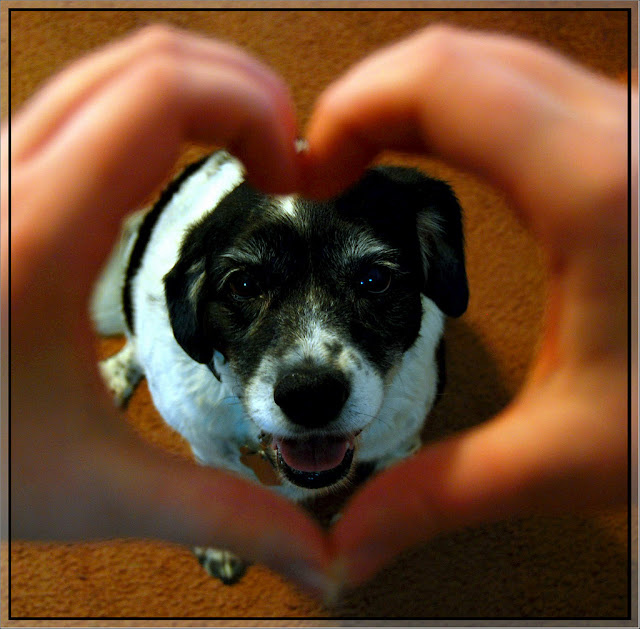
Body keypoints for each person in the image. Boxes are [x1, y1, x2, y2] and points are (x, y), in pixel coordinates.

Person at [4, 24, 632, 599]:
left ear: (432, 257)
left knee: (393, 436)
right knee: (188, 404)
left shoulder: (412, 363)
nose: (308, 379)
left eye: (373, 278)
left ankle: (386, 438)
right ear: (188, 302)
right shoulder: (180, 331)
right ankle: (133, 355)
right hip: (192, 279)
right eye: (245, 284)